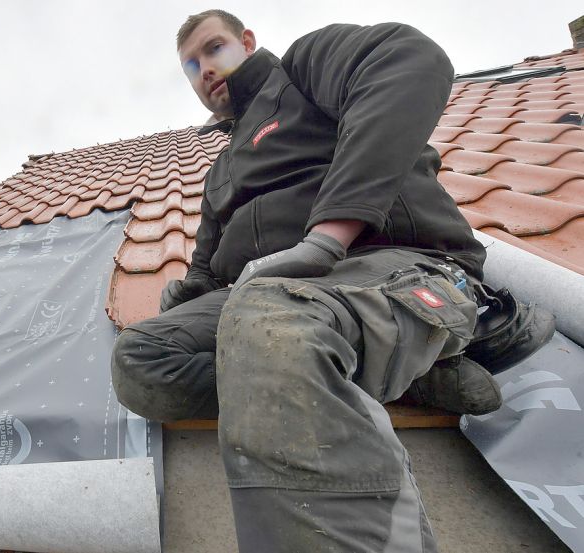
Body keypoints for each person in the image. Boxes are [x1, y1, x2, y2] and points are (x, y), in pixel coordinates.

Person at [111, 11, 555, 552]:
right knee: (141, 360)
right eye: (191, 66)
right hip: (273, 299)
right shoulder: (221, 169)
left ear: (247, 41)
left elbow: (408, 60)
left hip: (389, 262)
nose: (205, 69)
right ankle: (406, 375)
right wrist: (181, 298)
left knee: (271, 323)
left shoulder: (301, 70)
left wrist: (325, 238)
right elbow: (207, 270)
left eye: (214, 49)